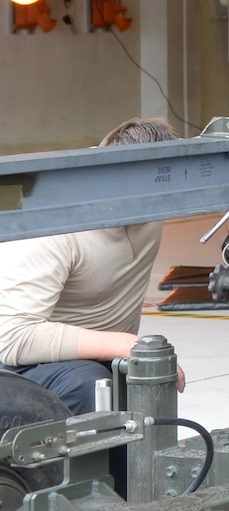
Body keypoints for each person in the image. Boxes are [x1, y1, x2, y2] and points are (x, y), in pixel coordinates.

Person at [0, 118, 188, 414]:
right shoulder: (54, 225)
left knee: (148, 380)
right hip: (22, 364)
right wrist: (125, 344)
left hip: (103, 353)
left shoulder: (153, 199)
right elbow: (13, 338)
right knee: (92, 386)